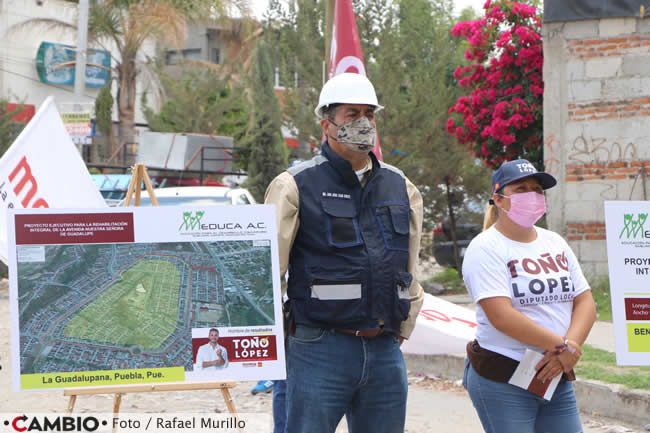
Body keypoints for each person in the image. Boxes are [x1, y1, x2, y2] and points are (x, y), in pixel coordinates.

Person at [264, 72, 424, 433]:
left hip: (384, 351)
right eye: (352, 114)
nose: (364, 123)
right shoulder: (294, 186)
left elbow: (410, 268)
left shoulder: (401, 186)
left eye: (370, 113)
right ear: (327, 124)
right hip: (319, 348)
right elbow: (269, 274)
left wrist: (403, 324)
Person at [461, 159, 597, 433]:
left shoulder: (554, 242)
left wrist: (569, 347)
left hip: (554, 374)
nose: (532, 195)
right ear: (499, 199)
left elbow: (585, 302)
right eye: (521, 188)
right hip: (503, 377)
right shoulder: (485, 247)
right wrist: (563, 348)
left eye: (537, 189)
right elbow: (501, 316)